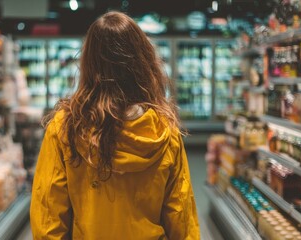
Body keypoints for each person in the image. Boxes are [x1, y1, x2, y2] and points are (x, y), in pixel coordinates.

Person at [30, 11, 200, 240]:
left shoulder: (66, 127)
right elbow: (181, 214)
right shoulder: (162, 130)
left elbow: (48, 217)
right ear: (142, 60)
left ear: (89, 63)